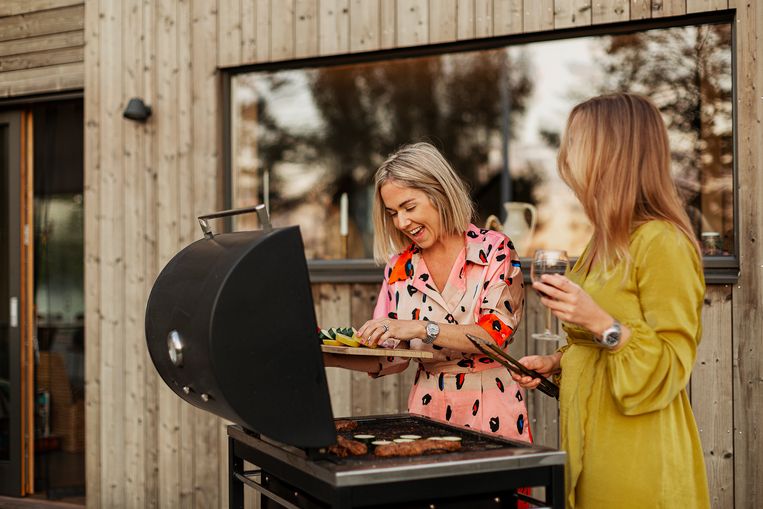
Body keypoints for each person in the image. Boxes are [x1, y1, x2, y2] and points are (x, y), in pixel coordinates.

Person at [513, 93, 710, 508]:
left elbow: (673, 363)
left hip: (637, 453)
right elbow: (597, 345)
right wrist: (557, 362)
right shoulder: (602, 243)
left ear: (612, 154)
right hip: (591, 441)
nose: (567, 156)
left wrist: (601, 322)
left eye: (578, 143)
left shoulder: (662, 242)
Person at [324, 142, 531, 443]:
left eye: (409, 207)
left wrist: (421, 328)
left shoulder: (494, 249)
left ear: (440, 194)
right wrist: (324, 355)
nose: (402, 222)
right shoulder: (399, 267)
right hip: (426, 413)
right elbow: (390, 357)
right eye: (393, 213)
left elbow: (494, 335)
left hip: (492, 409)